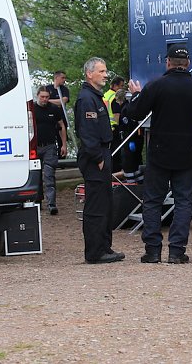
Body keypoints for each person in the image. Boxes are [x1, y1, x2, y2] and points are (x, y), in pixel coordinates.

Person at [124, 44, 192, 264]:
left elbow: (135, 112)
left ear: (168, 63)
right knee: (183, 202)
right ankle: (177, 250)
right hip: (186, 152)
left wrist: (134, 95)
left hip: (159, 152)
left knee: (152, 201)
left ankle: (153, 250)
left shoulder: (156, 86)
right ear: (188, 63)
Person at [74, 57, 125, 264]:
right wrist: (97, 158)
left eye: (105, 71)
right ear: (89, 74)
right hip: (95, 157)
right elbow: (87, 132)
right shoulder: (86, 98)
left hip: (103, 154)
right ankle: (95, 252)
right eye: (102, 71)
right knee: (96, 206)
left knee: (105, 203)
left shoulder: (96, 96)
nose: (106, 75)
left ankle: (104, 247)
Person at [33, 87, 67, 215]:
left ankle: (51, 204)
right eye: (42, 97)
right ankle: (37, 201)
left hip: (50, 146)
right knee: (36, 175)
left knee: (49, 175)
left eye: (46, 97)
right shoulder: (32, 109)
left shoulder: (54, 109)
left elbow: (61, 126)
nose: (44, 99)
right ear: (37, 96)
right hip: (35, 147)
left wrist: (64, 145)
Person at [115, 88, 144, 184]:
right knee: (135, 162)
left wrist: (130, 140)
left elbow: (127, 126)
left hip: (129, 139)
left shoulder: (125, 109)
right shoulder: (131, 107)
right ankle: (140, 182)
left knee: (128, 163)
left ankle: (131, 184)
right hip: (135, 138)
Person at [104, 76, 126, 173]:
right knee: (117, 154)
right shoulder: (115, 96)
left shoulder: (106, 95)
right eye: (121, 86)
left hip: (106, 127)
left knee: (110, 152)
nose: (122, 88)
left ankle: (110, 173)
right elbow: (117, 114)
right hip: (114, 128)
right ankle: (115, 175)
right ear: (115, 85)